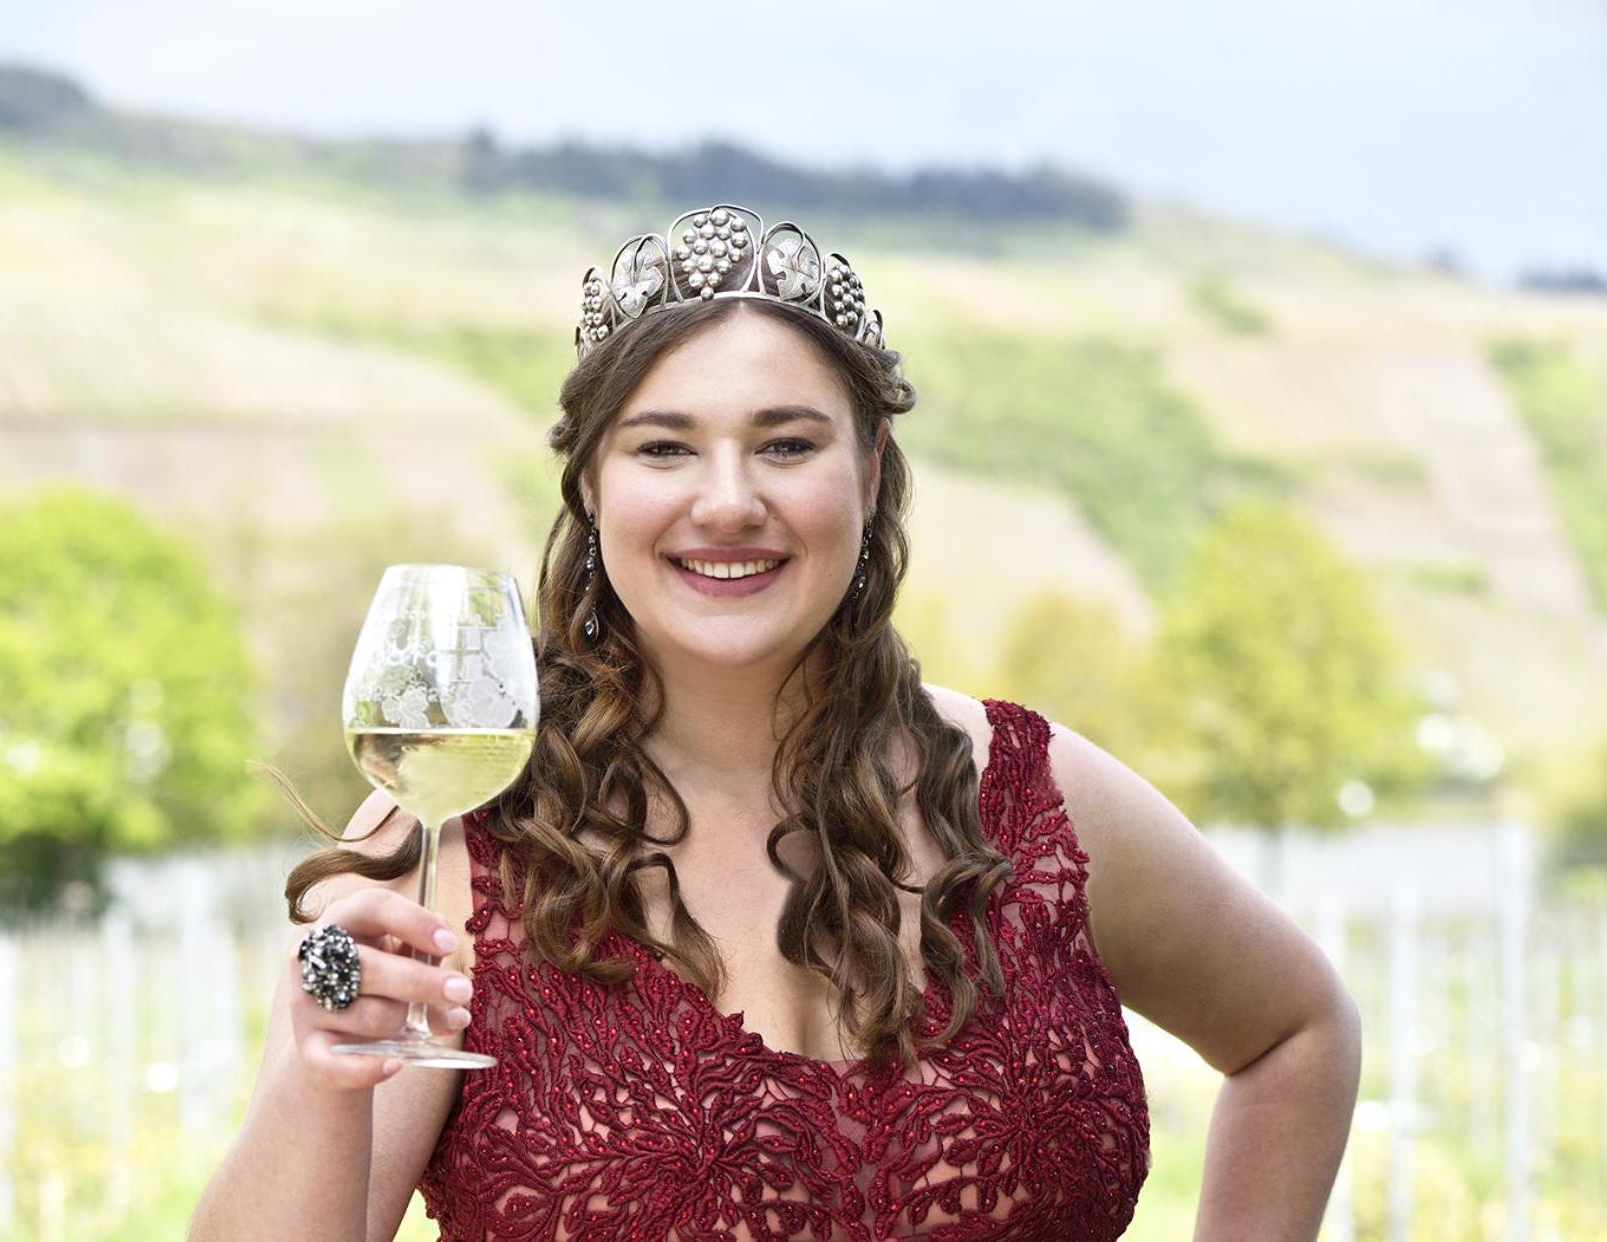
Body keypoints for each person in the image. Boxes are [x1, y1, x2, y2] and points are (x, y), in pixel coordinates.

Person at [190, 205, 1361, 1241]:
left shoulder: (1035, 796)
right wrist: (314, 1078)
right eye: (663, 447)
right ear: (590, 486)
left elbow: (1296, 1032)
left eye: (786, 444)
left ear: (869, 467)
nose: (727, 500)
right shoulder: (461, 832)